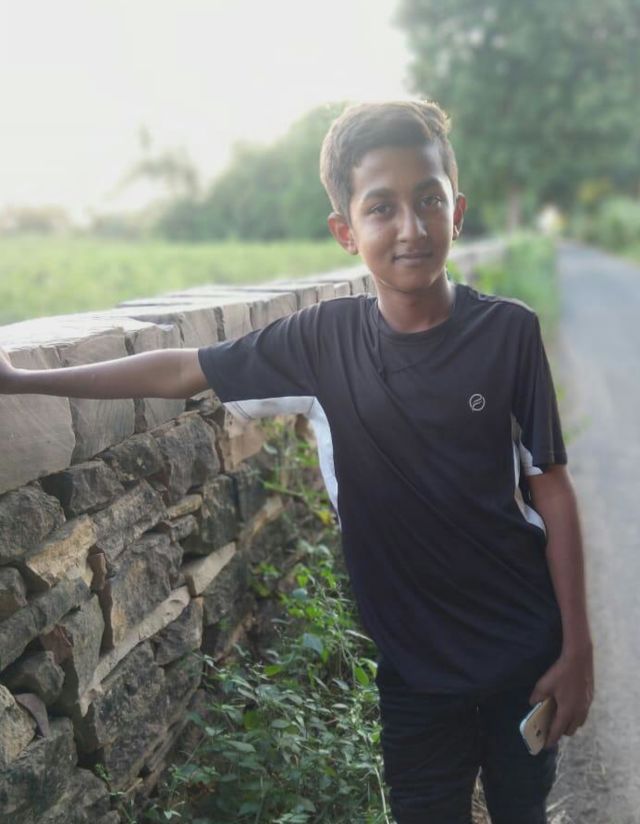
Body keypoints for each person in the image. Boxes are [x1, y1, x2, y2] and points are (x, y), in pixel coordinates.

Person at [0, 100, 593, 824]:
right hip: (415, 673)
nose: (411, 227)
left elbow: (551, 488)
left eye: (429, 199)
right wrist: (22, 381)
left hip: (523, 654)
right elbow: (183, 370)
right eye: (382, 208)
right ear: (346, 232)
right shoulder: (321, 344)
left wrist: (578, 649)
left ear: (457, 211)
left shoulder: (509, 334)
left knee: (522, 811)